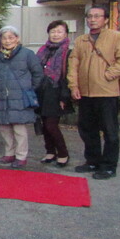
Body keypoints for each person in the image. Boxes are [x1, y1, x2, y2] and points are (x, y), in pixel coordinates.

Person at [68, 5, 120, 180]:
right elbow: (73, 64)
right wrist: (74, 86)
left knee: (110, 131)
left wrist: (107, 75)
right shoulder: (82, 40)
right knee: (87, 129)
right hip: (85, 93)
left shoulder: (116, 37)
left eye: (97, 16)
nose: (92, 19)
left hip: (107, 92)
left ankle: (109, 166)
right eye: (89, 16)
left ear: (105, 19)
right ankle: (92, 160)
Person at [0, 26, 44, 168]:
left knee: (19, 129)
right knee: (5, 128)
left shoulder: (27, 54)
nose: (7, 41)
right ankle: (9, 153)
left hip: (19, 98)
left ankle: (21, 156)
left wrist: (29, 89)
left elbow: (38, 74)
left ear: (17, 39)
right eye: (4, 38)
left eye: (11, 37)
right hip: (2, 97)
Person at [36, 20, 73, 167]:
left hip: (57, 92)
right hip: (42, 91)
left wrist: (65, 96)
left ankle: (63, 153)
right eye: (53, 31)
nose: (55, 35)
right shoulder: (43, 50)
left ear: (65, 34)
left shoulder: (67, 53)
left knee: (52, 125)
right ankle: (50, 151)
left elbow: (67, 76)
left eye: (59, 31)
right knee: (44, 124)